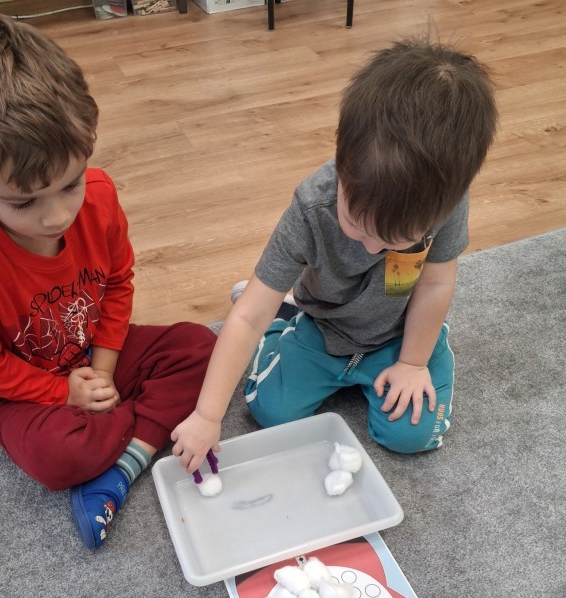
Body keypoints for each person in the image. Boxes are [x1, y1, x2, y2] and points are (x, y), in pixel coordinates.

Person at [0, 13, 216, 550]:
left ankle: (124, 464)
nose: (57, 216)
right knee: (59, 456)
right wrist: (63, 393)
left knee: (201, 347)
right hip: (24, 387)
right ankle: (138, 434)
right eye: (23, 201)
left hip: (95, 354)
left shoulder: (100, 197)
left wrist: (103, 371)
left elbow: (117, 284)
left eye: (70, 184)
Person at [171, 37, 498, 472]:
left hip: (400, 335)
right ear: (342, 166)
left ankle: (414, 352)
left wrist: (413, 362)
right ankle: (285, 322)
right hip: (325, 326)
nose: (372, 248)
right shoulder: (311, 207)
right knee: (271, 412)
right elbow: (248, 316)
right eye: (357, 225)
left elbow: (437, 283)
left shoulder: (446, 203)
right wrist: (207, 416)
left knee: (412, 435)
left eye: (397, 239)